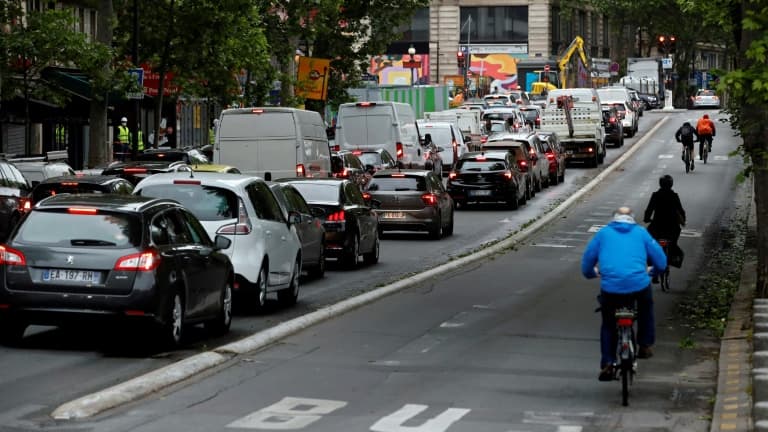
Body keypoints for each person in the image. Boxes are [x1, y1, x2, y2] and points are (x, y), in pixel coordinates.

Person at [581, 206, 667, 381]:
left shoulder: (603, 234)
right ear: (632, 219)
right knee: (645, 310)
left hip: (611, 287)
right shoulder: (641, 233)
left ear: (614, 219)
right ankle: (644, 344)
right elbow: (661, 261)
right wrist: (652, 273)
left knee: (608, 323)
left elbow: (587, 262)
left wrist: (592, 273)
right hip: (638, 284)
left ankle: (608, 363)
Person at [643, 175, 686, 282]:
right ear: (671, 184)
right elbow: (681, 211)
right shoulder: (674, 196)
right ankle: (671, 258)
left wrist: (647, 219)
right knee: (673, 243)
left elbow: (649, 210)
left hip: (657, 226)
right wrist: (683, 220)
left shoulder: (656, 195)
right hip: (672, 227)